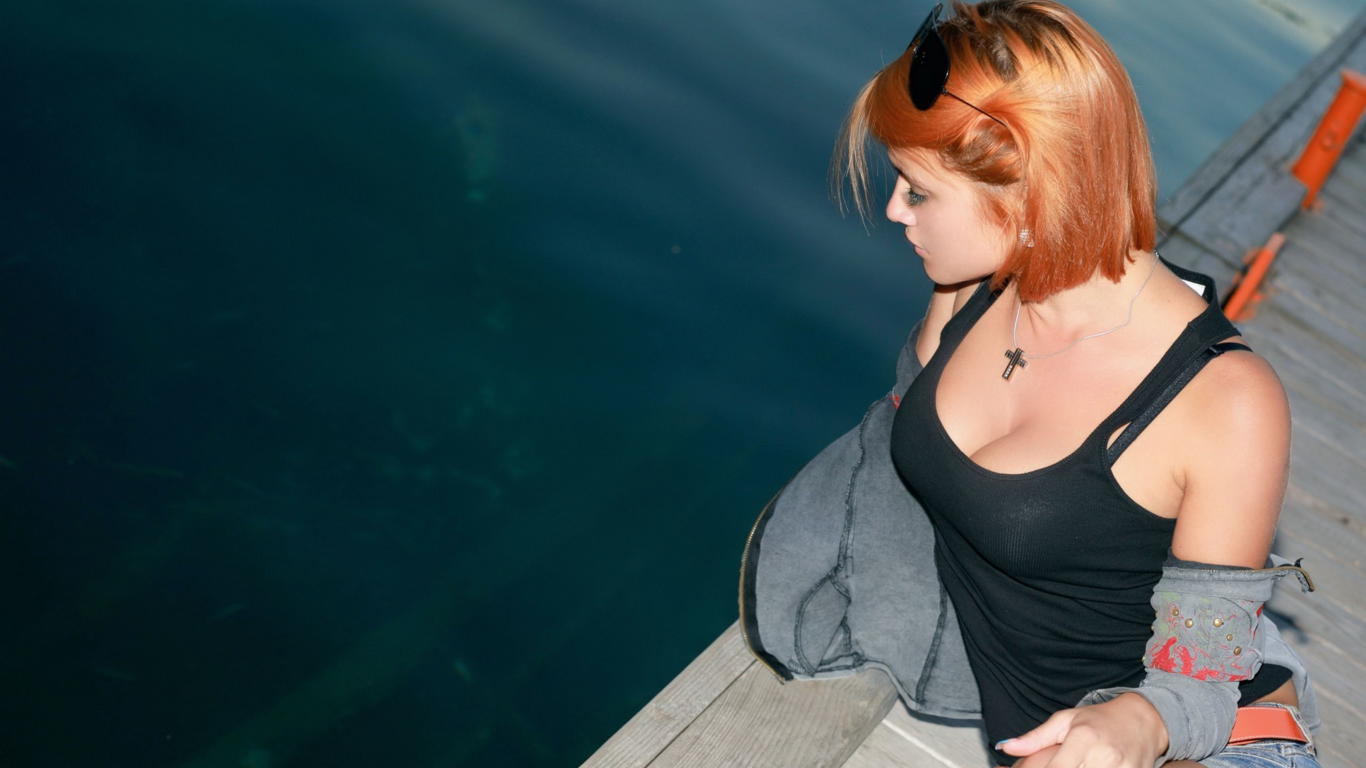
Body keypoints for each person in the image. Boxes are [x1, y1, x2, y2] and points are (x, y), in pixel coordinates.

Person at [745, 1, 1321, 766]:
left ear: (1025, 199)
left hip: (1201, 742)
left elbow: (1204, 683)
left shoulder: (1224, 403)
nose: (894, 210)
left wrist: (1137, 723)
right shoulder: (971, 289)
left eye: (918, 190)